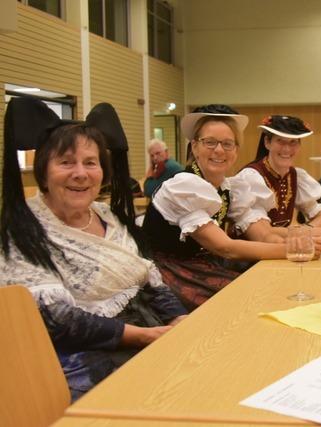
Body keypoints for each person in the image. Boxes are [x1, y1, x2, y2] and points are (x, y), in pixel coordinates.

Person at [0, 97, 188, 400]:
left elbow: (148, 279)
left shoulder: (107, 215)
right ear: (43, 171)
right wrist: (144, 336)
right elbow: (56, 319)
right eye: (66, 162)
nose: (80, 173)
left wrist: (179, 318)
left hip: (148, 334)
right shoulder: (23, 230)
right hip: (81, 358)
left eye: (90, 162)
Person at [142, 111, 321, 310]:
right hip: (172, 270)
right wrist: (292, 250)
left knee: (274, 286)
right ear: (194, 147)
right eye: (210, 142)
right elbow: (225, 248)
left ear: (236, 150)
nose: (219, 150)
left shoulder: (230, 188)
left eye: (228, 144)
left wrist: (297, 242)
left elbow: (263, 235)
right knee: (251, 300)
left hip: (207, 263)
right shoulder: (183, 186)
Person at [237, 115, 321, 232]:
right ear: (267, 142)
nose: (287, 149)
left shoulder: (296, 176)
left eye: (293, 142)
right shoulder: (251, 178)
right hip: (252, 244)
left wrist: (304, 231)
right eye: (280, 141)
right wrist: (300, 233)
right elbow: (264, 233)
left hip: (282, 242)